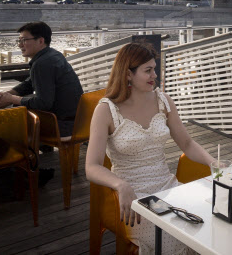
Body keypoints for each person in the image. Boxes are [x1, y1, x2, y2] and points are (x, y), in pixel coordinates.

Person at [86, 42, 214, 254]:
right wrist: (121, 184)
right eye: (148, 70)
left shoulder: (163, 100)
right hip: (131, 199)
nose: (155, 75)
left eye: (154, 69)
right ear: (128, 74)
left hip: (169, 188)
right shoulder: (106, 110)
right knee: (174, 242)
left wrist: (215, 163)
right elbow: (91, 166)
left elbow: (187, 144)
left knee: (205, 227)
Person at [0, 21, 83, 137]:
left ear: (40, 41)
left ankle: (22, 154)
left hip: (64, 126)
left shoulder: (42, 63)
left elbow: (43, 103)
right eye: (19, 40)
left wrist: (12, 99)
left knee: (10, 117)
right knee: (19, 106)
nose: (20, 45)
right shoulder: (52, 55)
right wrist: (7, 95)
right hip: (77, 121)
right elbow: (30, 82)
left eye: (24, 40)